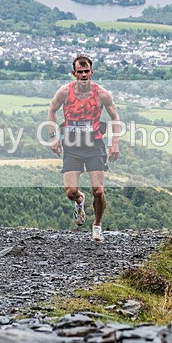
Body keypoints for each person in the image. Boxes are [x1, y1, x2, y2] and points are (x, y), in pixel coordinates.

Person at [47, 55, 120, 241]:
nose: (84, 75)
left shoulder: (102, 94)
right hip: (72, 145)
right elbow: (52, 110)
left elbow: (115, 117)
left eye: (87, 71)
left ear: (92, 72)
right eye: (80, 72)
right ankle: (80, 201)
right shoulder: (64, 92)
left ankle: (97, 226)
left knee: (98, 190)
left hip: (94, 144)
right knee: (70, 192)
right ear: (74, 74)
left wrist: (115, 143)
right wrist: (54, 137)